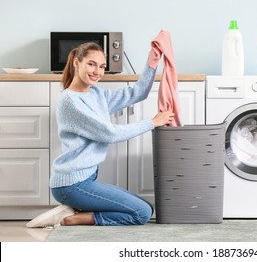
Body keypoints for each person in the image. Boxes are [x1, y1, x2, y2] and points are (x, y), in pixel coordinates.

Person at [26, 42, 174, 228]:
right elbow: (109, 133)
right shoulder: (69, 101)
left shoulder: (96, 94)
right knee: (141, 213)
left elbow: (138, 92)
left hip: (84, 180)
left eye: (102, 66)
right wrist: (152, 122)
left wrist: (153, 59)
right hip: (71, 185)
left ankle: (75, 209)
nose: (97, 71)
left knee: (147, 207)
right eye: (91, 64)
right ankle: (71, 219)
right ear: (76, 63)